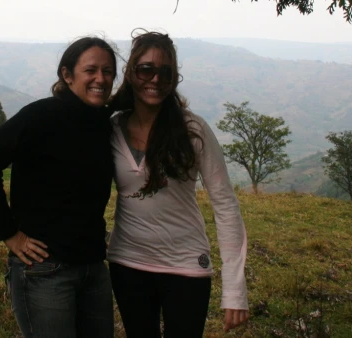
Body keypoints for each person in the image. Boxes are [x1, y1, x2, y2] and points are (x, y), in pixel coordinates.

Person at [0, 37, 118, 338]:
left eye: (108, 71)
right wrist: (8, 233)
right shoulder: (42, 116)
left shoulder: (101, 119)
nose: (100, 79)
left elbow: (133, 99)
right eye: (90, 70)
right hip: (45, 270)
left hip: (93, 266)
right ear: (67, 75)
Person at [107, 31, 249, 338]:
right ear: (131, 72)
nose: (155, 79)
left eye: (166, 72)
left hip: (186, 265)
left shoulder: (192, 129)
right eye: (146, 69)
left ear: (174, 79)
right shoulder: (113, 128)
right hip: (127, 263)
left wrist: (235, 289)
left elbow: (225, 204)